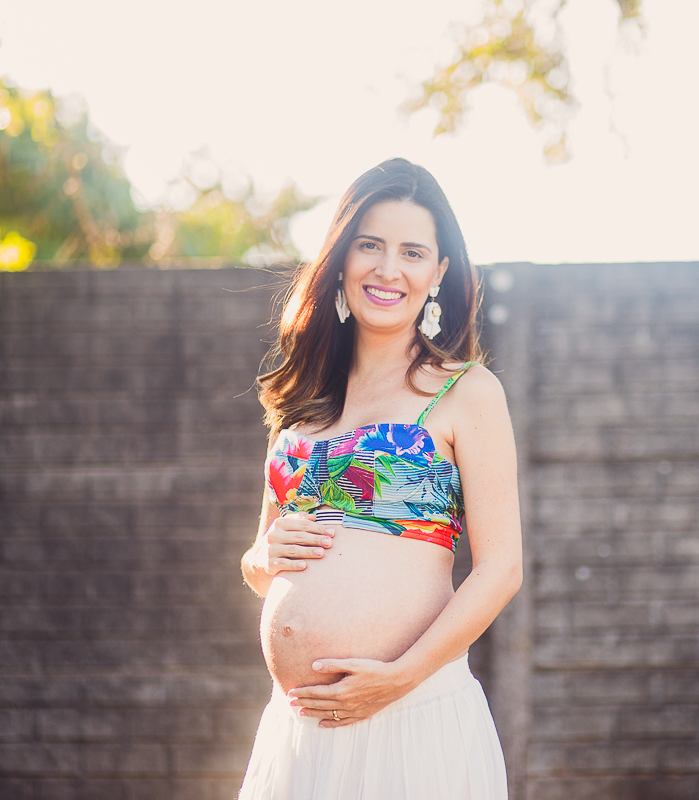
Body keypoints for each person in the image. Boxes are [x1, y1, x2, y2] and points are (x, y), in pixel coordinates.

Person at [238, 157, 522, 800]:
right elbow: (262, 565)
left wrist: (400, 676)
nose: (388, 268)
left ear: (438, 273)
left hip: (413, 716)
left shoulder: (466, 392)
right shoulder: (303, 402)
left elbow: (502, 569)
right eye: (370, 244)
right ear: (341, 258)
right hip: (301, 732)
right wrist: (257, 558)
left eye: (412, 251)